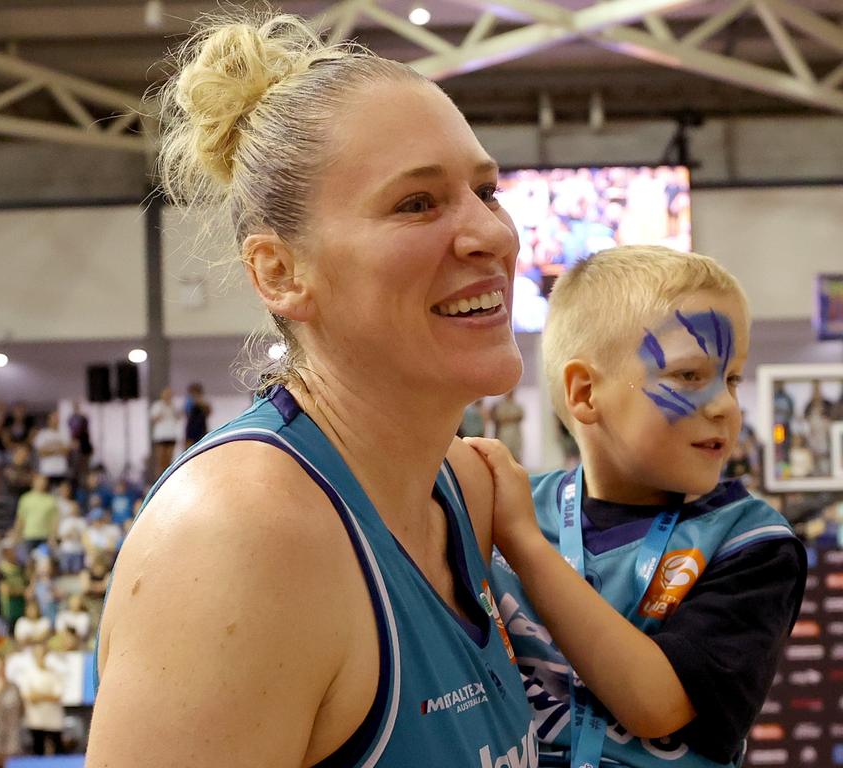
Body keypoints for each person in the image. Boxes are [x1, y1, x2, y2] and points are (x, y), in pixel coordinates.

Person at [88, 14, 535, 767]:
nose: (492, 234)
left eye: (485, 190)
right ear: (279, 273)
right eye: (417, 203)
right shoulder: (241, 539)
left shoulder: (462, 488)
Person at [480, 246, 806, 768]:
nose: (724, 405)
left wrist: (524, 547)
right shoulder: (503, 509)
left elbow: (657, 705)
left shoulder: (753, 544)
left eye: (732, 378)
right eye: (689, 377)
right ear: (586, 393)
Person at [20, 644, 65, 756]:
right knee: (37, 753)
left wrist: (39, 694)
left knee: (58, 754)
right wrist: (46, 695)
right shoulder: (28, 674)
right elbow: (29, 696)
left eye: (43, 654)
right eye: (38, 654)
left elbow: (57, 696)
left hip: (54, 722)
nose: (41, 657)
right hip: (36, 721)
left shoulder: (54, 673)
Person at [149, 387, 180, 477]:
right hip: (161, 436)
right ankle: (159, 477)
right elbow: (154, 418)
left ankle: (168, 476)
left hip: (171, 434)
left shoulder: (173, 406)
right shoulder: (158, 405)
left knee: (169, 458)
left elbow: (177, 417)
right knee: (161, 459)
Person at [33, 411, 70, 486]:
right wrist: (58, 450)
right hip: (46, 470)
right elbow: (41, 453)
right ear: (48, 420)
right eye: (53, 418)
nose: (55, 420)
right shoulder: (42, 434)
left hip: (61, 469)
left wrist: (50, 449)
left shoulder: (64, 433)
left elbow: (66, 451)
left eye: (57, 418)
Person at [491, 390, 525, 462]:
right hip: (504, 432)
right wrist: (512, 417)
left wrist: (510, 417)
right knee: (505, 453)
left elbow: (521, 416)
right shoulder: (501, 405)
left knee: (516, 453)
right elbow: (500, 417)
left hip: (515, 432)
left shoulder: (517, 405)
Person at [182, 382, 210, 449]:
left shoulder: (203, 401)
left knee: (202, 447)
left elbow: (208, 412)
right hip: (192, 427)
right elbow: (186, 413)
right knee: (189, 447)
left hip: (201, 427)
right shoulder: (189, 401)